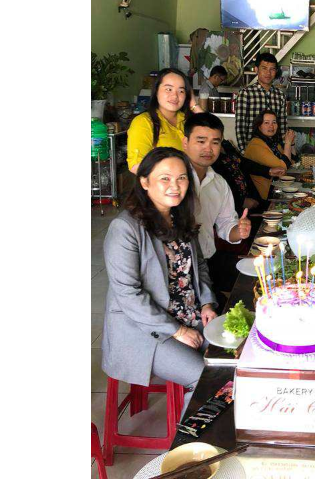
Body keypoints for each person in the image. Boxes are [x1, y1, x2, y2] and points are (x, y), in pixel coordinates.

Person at [101, 147, 217, 407]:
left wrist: (207, 303)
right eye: (165, 178)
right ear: (145, 182)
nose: (175, 186)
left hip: (188, 316)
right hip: (144, 330)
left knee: (233, 358)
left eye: (182, 178)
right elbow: (128, 295)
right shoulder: (125, 228)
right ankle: (191, 435)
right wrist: (178, 330)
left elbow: (198, 265)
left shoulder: (179, 217)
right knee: (205, 379)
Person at [181, 113, 253, 302]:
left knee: (255, 282)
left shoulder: (219, 183)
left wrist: (240, 231)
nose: (208, 148)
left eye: (215, 142)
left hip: (208, 260)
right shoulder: (175, 180)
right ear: (185, 142)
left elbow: (226, 225)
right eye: (201, 141)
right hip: (179, 266)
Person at [127, 68, 203, 174]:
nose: (175, 96)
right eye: (168, 89)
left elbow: (214, 136)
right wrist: (175, 179)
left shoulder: (187, 119)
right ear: (156, 91)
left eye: (181, 91)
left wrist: (194, 105)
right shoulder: (143, 122)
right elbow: (136, 166)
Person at [235, 54, 287, 152]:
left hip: (274, 151)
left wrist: (283, 150)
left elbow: (282, 126)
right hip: (252, 150)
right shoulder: (246, 93)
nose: (268, 73)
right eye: (264, 68)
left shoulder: (280, 95)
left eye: (272, 69)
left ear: (276, 71)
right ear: (256, 69)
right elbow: (240, 126)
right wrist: (244, 151)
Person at [243, 109, 295, 200]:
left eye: (274, 122)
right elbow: (283, 167)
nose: (271, 126)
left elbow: (292, 161)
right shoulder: (256, 144)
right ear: (259, 126)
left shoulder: (272, 142)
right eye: (266, 123)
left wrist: (292, 143)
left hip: (278, 187)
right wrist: (288, 143)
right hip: (265, 195)